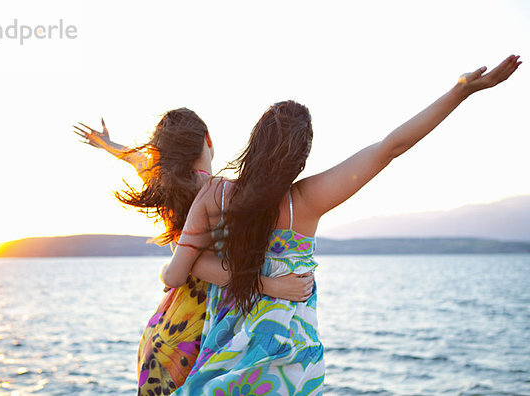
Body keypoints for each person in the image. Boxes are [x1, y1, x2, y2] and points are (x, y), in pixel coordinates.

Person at [161, 55, 521, 395]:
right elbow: (390, 147)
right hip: (291, 364)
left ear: (255, 142)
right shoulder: (304, 201)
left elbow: (177, 273)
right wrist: (460, 92)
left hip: (227, 361)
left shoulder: (215, 195)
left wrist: (193, 267)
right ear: (299, 159)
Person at [73, 108, 315, 395]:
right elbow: (198, 266)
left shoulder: (168, 186)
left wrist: (106, 144)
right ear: (208, 139)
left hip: (169, 325)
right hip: (203, 329)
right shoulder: (223, 192)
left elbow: (134, 158)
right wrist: (271, 285)